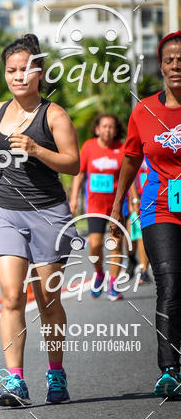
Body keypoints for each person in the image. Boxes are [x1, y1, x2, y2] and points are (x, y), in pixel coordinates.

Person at [0, 34, 80, 407]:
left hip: (48, 214)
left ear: (39, 72)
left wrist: (37, 149)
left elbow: (73, 164)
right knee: (12, 296)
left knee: (47, 301)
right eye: (11, 70)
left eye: (25, 69)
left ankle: (55, 371)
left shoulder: (53, 114)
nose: (18, 76)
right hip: (5, 211)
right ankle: (14, 381)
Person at [111, 31, 181, 399]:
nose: (176, 65)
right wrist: (118, 202)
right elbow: (132, 157)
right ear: (161, 66)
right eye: (169, 59)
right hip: (161, 207)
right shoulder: (144, 110)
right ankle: (170, 369)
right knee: (169, 282)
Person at [69, 115, 127, 301]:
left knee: (116, 244)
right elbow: (79, 174)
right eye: (104, 126)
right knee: (95, 244)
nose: (107, 130)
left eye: (111, 127)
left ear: (116, 130)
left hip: (116, 206)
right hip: (95, 206)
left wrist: (133, 201)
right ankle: (99, 273)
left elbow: (129, 176)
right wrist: (73, 199)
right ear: (97, 129)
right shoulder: (88, 147)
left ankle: (113, 284)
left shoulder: (122, 148)